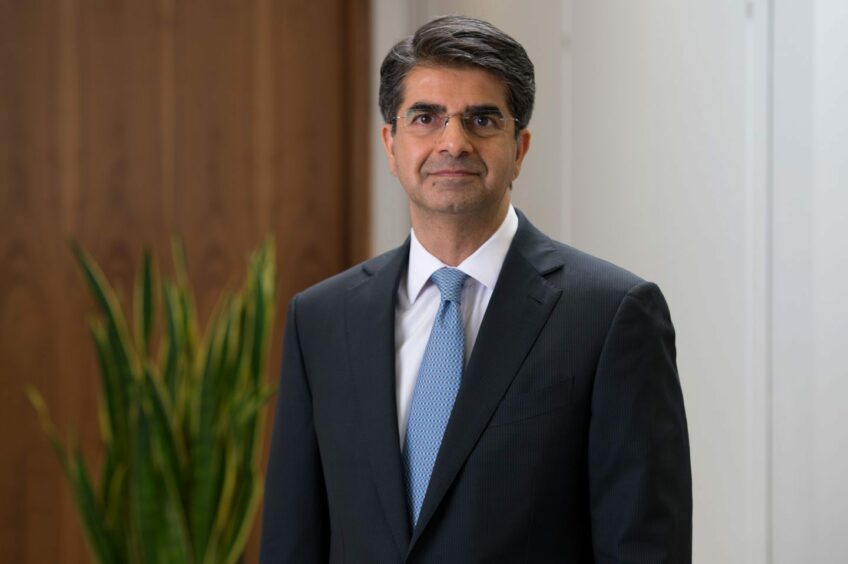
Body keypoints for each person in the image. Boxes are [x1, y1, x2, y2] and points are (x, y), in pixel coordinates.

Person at [260, 15, 691, 563]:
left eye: (482, 119)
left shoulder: (612, 316)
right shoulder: (320, 320)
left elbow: (644, 549)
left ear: (520, 147)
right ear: (391, 144)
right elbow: (291, 543)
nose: (453, 142)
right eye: (426, 117)